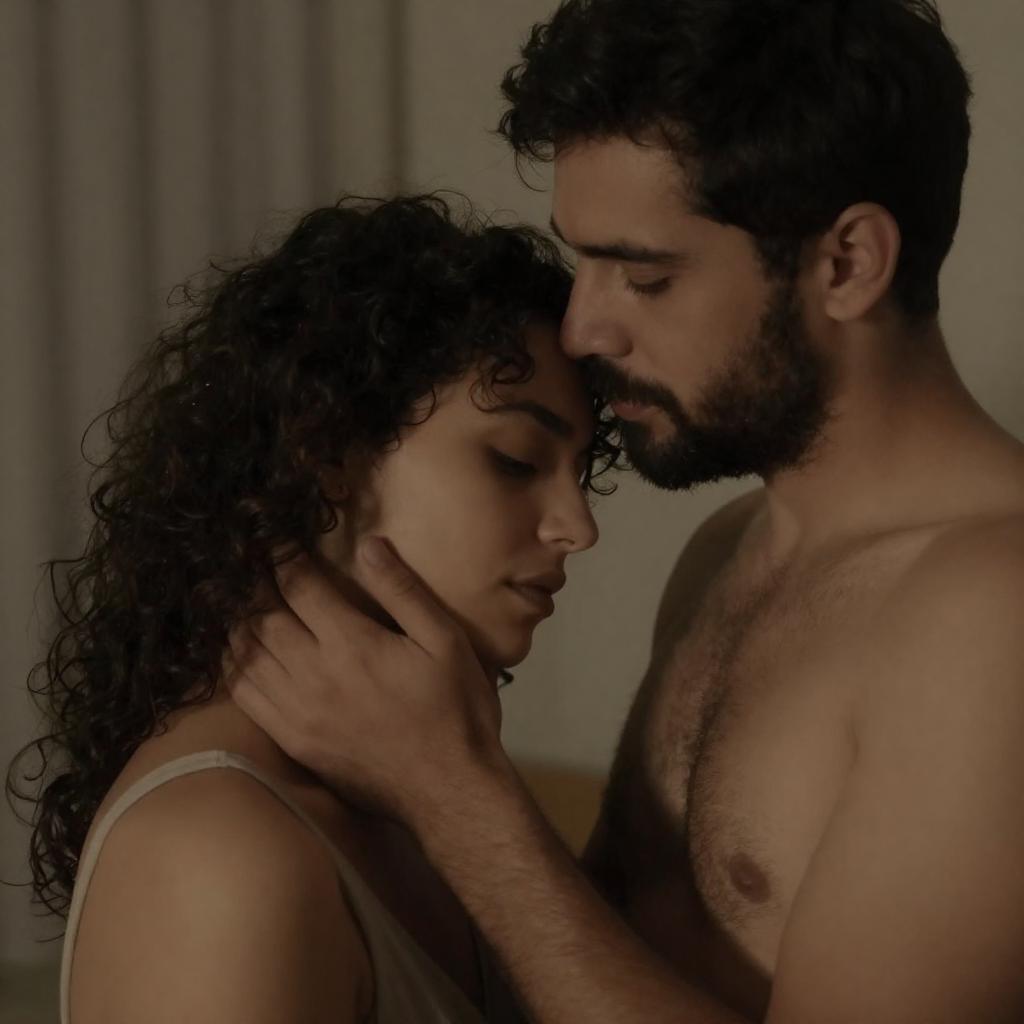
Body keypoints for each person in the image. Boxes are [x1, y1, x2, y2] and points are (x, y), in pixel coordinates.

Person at [223, 1, 1024, 1022]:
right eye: (583, 263)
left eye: (645, 275)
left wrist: (450, 791)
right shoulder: (728, 551)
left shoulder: (994, 615)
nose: (582, 328)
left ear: (847, 263)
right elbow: (582, 954)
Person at [6, 194, 621, 1023]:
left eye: (579, 474)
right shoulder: (217, 855)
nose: (577, 527)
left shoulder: (427, 795)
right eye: (515, 459)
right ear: (327, 455)